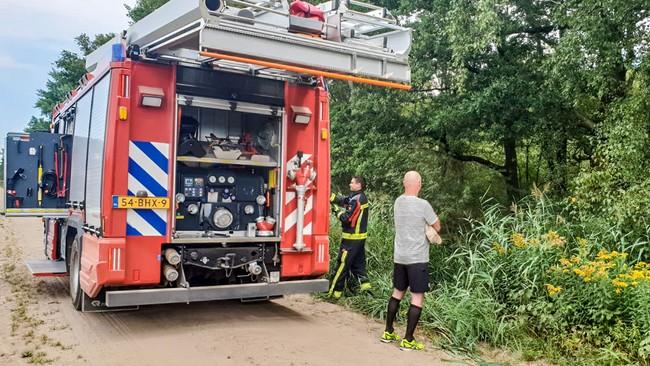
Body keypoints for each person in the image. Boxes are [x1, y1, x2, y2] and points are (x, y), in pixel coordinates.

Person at [381, 171, 441, 351]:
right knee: (417, 297)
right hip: (417, 259)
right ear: (420, 184)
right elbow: (437, 226)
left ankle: (388, 331)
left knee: (397, 293)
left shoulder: (398, 202)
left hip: (400, 257)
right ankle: (408, 339)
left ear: (403, 183)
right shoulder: (423, 205)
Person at [328, 176, 371, 299]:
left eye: (352, 182)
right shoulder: (358, 197)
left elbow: (346, 219)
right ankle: (367, 293)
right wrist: (329, 195)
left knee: (342, 266)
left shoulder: (356, 200)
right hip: (359, 240)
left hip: (351, 240)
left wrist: (336, 211)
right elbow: (343, 200)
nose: (349, 184)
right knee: (359, 267)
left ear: (359, 185)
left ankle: (333, 294)